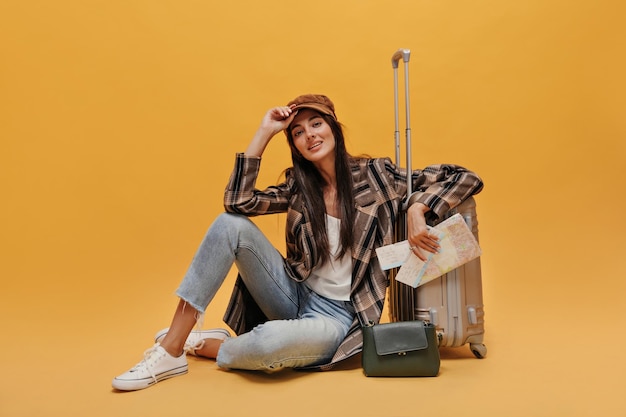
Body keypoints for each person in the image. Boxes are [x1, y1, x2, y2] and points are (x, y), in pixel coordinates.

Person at [112, 94, 484, 391]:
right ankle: (171, 348)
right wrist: (264, 132)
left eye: (317, 124)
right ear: (294, 143)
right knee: (230, 224)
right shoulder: (298, 186)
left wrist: (418, 208)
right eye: (299, 132)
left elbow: (463, 176)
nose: (310, 135)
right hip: (293, 293)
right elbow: (238, 203)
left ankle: (201, 344)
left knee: (268, 346)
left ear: (334, 128)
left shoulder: (377, 175)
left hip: (341, 317)